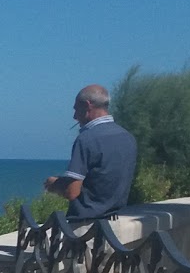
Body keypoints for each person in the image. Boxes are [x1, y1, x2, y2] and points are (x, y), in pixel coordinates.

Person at [44, 84, 138, 220]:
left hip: (88, 223)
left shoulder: (86, 139)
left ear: (88, 105)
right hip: (117, 218)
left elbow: (72, 192)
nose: (75, 116)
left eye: (76, 109)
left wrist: (54, 184)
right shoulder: (127, 137)